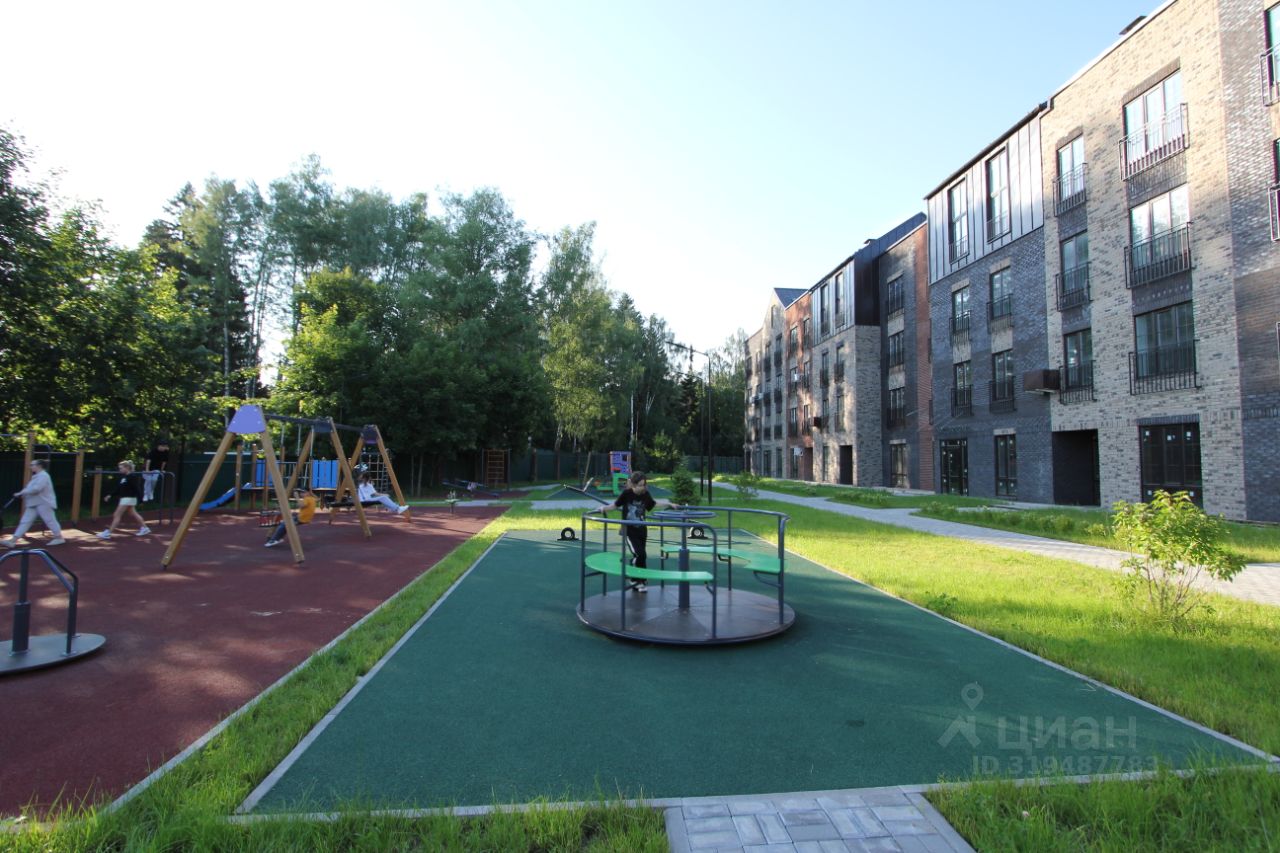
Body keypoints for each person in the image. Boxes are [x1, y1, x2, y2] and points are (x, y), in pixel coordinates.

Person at [600, 471, 660, 593]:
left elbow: (653, 504)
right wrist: (604, 508)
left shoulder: (645, 494)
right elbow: (615, 505)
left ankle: (641, 579)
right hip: (629, 530)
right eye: (640, 485)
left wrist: (670, 504)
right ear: (633, 485)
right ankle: (634, 579)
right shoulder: (627, 494)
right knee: (639, 554)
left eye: (644, 484)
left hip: (642, 530)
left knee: (643, 555)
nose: (643, 487)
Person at [1, 459, 66, 547]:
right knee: (25, 521)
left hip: (44, 502)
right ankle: (13, 540)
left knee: (50, 520)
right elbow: (29, 488)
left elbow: (36, 489)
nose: (30, 466)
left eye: (32, 465)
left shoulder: (44, 476)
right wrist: (22, 493)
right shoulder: (36, 477)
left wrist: (21, 493)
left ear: (39, 466)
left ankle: (59, 537)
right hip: (34, 503)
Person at [97, 460, 149, 539]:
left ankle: (108, 533)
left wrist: (140, 500)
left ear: (127, 468)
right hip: (126, 499)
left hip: (128, 499)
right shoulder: (125, 477)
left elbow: (137, 489)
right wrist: (110, 495)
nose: (120, 470)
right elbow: (119, 489)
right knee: (133, 513)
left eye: (121, 468)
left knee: (116, 515)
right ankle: (145, 528)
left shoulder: (132, 477)